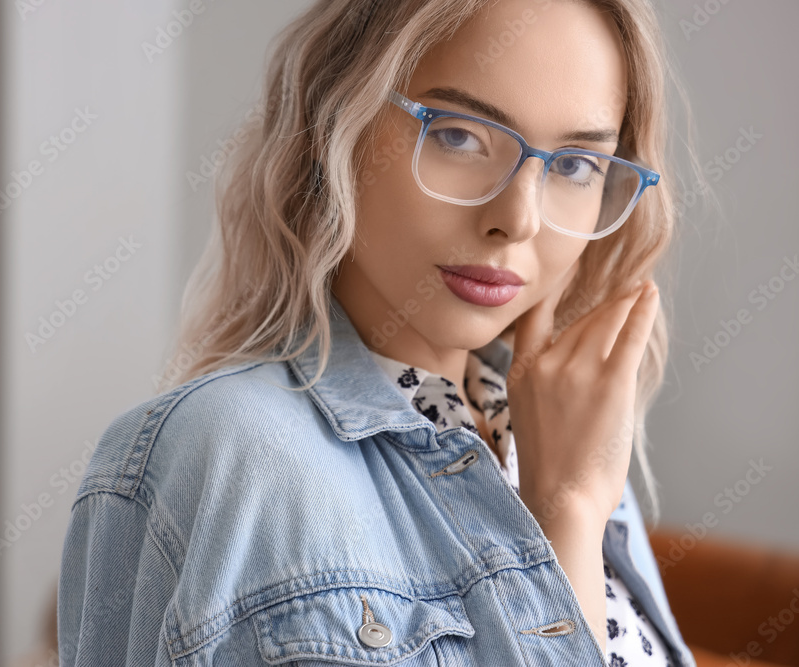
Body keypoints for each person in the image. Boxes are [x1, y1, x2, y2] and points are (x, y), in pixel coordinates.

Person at [58, 0, 708, 664]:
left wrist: (571, 497)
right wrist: (566, 511)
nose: (518, 218)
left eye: (574, 165)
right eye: (459, 135)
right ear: (336, 118)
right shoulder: (225, 455)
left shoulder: (566, 442)